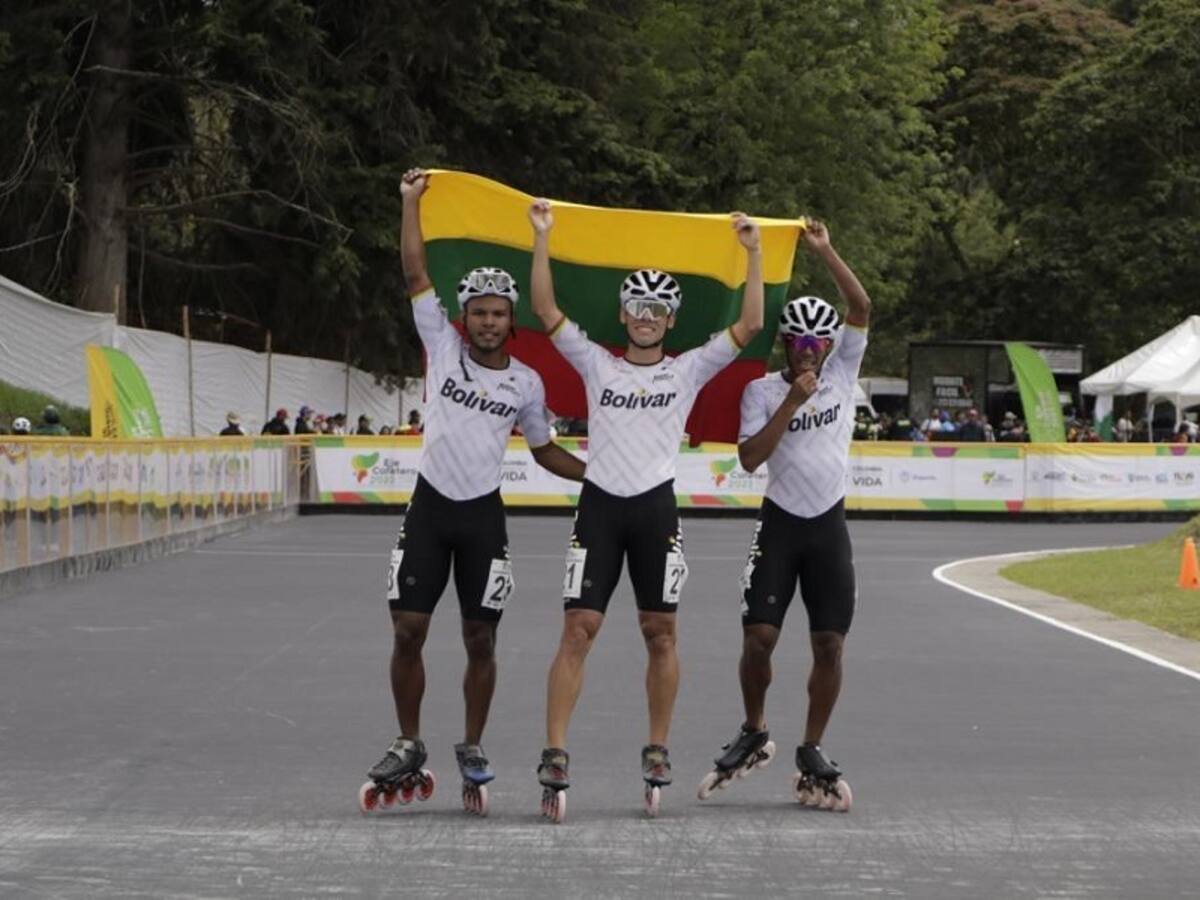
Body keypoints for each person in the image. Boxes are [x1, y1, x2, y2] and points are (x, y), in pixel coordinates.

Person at [527, 196, 764, 821]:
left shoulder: (686, 371)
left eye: (657, 309)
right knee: (578, 629)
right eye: (637, 307)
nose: (646, 318)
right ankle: (555, 752)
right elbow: (546, 310)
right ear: (624, 314)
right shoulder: (597, 364)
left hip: (655, 511)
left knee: (660, 633)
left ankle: (657, 748)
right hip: (600, 507)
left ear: (670, 318)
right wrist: (543, 235)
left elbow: (750, 327)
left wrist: (754, 251)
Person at [359, 168, 586, 817]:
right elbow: (412, 270)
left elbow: (543, 449)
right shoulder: (441, 344)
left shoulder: (527, 383)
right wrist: (410, 202)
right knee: (408, 629)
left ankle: (474, 745)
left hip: (483, 518)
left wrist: (599, 477)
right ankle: (409, 739)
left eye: (498, 315)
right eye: (479, 313)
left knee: (481, 639)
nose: (487, 322)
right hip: (429, 509)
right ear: (465, 317)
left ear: (512, 322)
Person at [697, 219, 869, 813]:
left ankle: (812, 748)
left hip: (828, 526)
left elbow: (862, 305)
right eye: (798, 341)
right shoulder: (763, 392)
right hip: (780, 523)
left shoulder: (844, 373)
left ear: (828, 347)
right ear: (785, 343)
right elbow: (748, 459)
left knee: (829, 646)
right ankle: (754, 729)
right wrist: (793, 401)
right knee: (759, 640)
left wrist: (825, 249)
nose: (808, 351)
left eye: (817, 343)